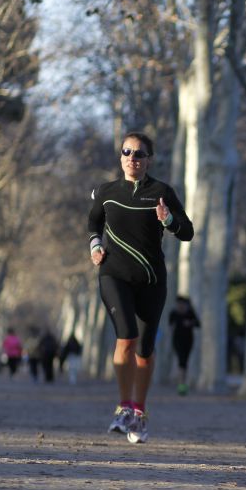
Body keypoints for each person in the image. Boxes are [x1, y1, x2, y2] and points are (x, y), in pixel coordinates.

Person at [88, 131, 194, 444]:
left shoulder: (162, 191)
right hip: (114, 274)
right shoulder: (106, 192)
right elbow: (93, 224)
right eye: (127, 151)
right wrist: (95, 245)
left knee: (145, 350)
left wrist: (168, 219)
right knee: (126, 338)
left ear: (148, 160)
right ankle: (122, 407)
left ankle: (139, 412)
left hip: (151, 279)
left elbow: (186, 231)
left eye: (139, 153)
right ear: (120, 156)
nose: (132, 158)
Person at [168, 296, 201, 395]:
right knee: (181, 361)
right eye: (179, 303)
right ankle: (181, 385)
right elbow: (170, 326)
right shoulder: (173, 313)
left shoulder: (190, 313)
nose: (180, 305)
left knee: (184, 362)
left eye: (182, 304)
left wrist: (190, 323)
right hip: (177, 340)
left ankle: (182, 384)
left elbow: (198, 324)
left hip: (188, 340)